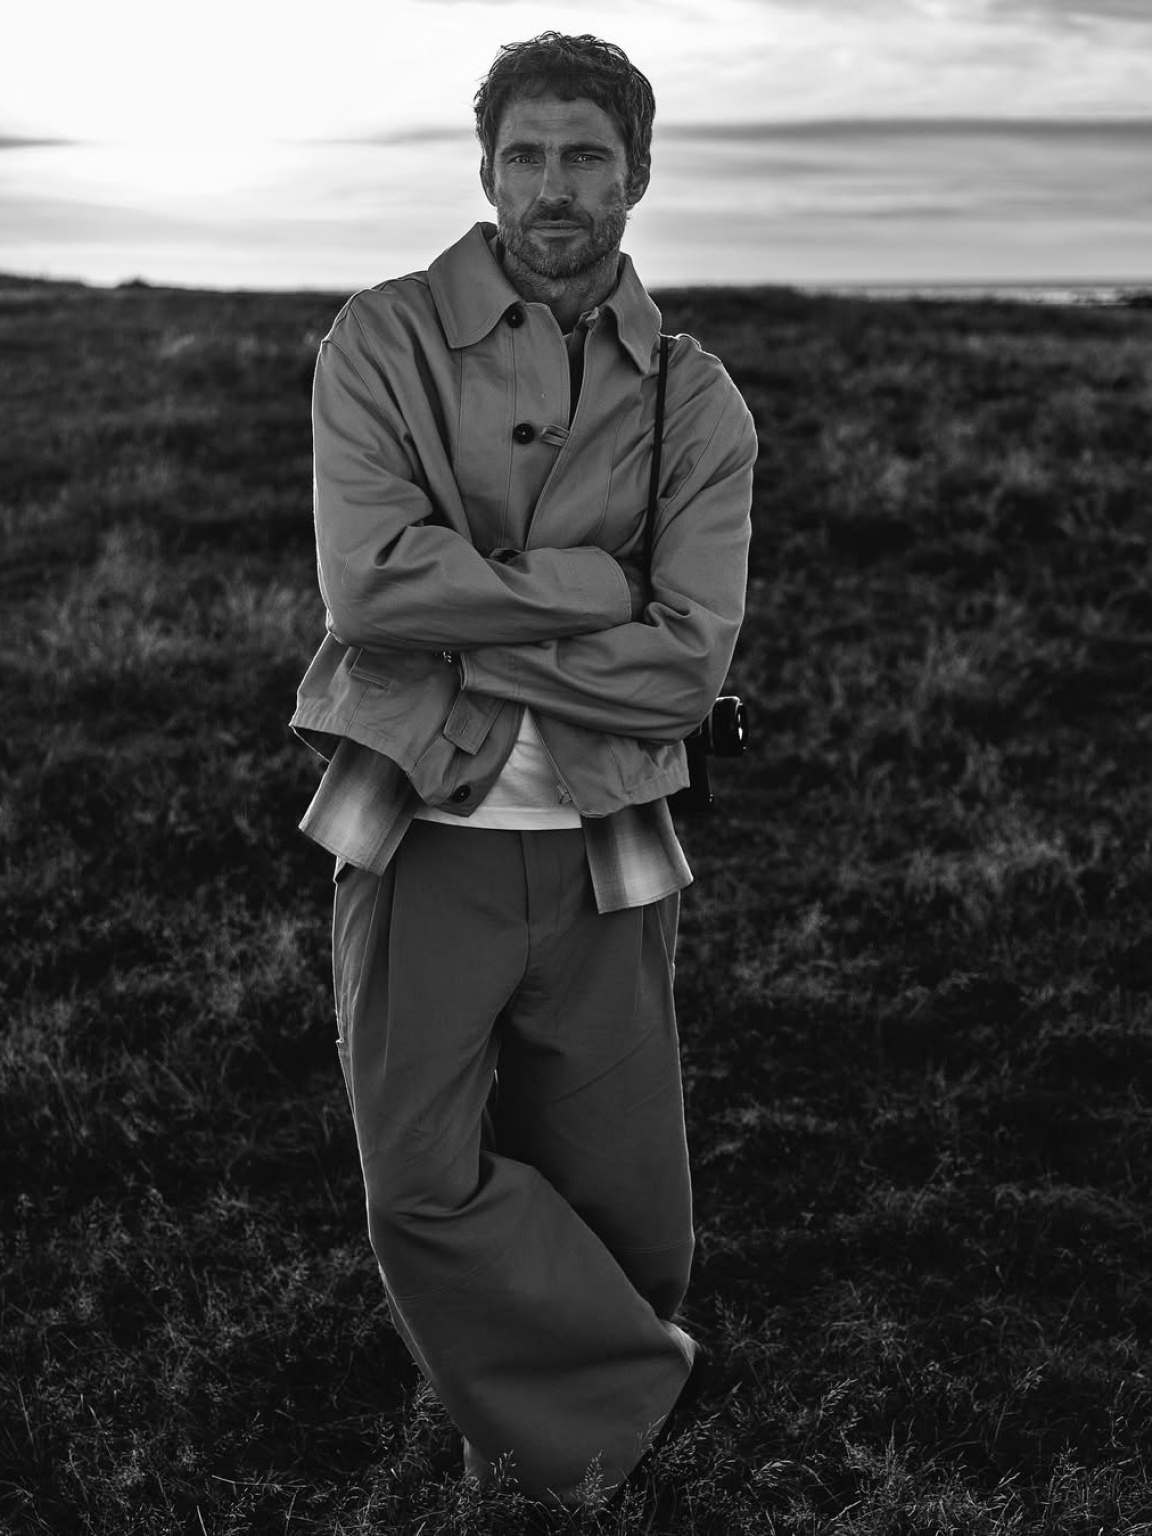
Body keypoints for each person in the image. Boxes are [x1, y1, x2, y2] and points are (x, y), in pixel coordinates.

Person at [291, 30, 757, 1509]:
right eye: (527, 155)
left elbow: (683, 668)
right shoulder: (380, 341)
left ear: (637, 174)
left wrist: (468, 631)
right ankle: (625, 1401)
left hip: (610, 834)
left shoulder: (696, 399)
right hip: (422, 825)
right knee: (420, 1180)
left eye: (586, 157)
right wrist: (594, 591)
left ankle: (580, 1436)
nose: (555, 186)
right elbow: (370, 590)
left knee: (630, 1201)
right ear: (487, 170)